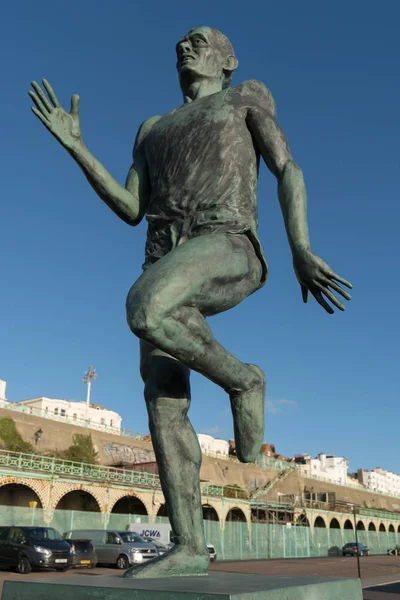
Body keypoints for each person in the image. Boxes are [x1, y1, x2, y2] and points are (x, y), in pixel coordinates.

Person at [29, 26, 352, 578]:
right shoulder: (151, 129)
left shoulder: (245, 95)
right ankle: (187, 545)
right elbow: (133, 206)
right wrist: (77, 147)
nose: (186, 46)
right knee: (163, 399)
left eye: (199, 41)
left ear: (227, 60)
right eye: (181, 41)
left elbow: (287, 167)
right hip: (165, 259)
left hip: (226, 243)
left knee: (145, 309)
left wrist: (299, 245)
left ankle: (242, 379)